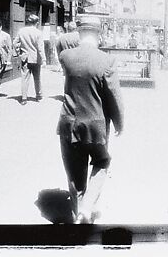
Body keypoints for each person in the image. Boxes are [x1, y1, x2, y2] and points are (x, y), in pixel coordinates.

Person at [56, 15, 124, 224]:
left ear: (79, 32)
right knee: (102, 161)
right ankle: (87, 208)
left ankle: (78, 217)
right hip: (95, 126)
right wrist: (119, 122)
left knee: (75, 174)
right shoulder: (106, 60)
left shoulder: (66, 57)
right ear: (99, 34)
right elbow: (113, 96)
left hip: (68, 123)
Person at [13, 14, 46, 105]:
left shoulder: (21, 31)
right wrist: (44, 59)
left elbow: (15, 43)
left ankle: (24, 98)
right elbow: (40, 48)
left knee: (24, 78)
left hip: (25, 58)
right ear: (37, 23)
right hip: (36, 59)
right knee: (37, 78)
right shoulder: (38, 33)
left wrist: (19, 52)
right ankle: (38, 96)